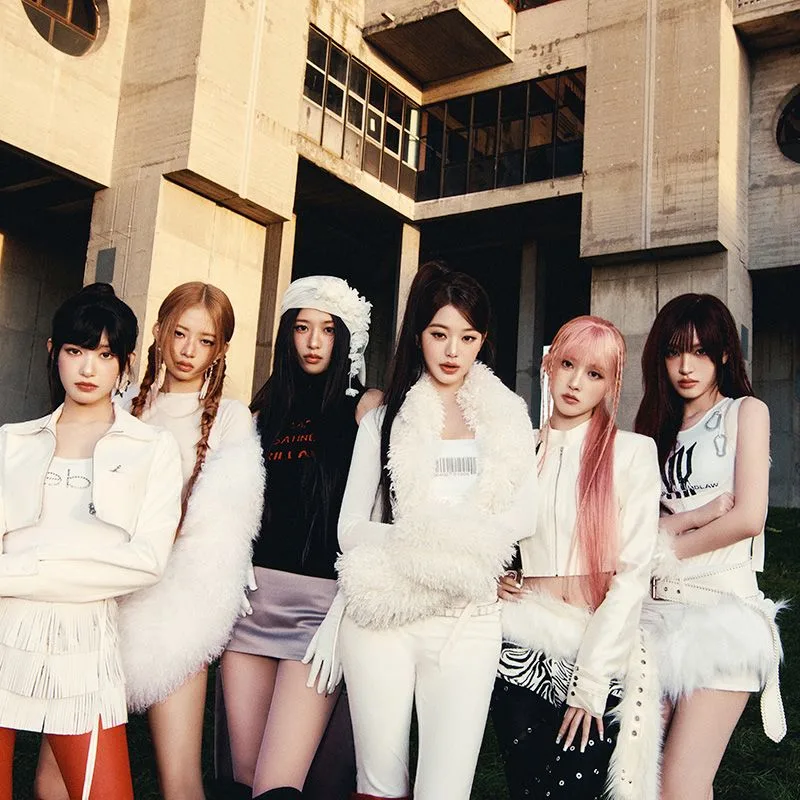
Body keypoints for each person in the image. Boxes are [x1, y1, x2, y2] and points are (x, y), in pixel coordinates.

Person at [34, 282, 264, 800]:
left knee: (179, 780)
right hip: (100, 604)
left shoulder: (231, 418)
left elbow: (225, 524)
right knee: (60, 771)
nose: (188, 350)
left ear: (221, 349)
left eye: (205, 340)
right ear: (158, 332)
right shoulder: (120, 405)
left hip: (176, 608)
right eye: (179, 333)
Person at [320, 261, 538, 800]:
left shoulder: (508, 417)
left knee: (445, 789)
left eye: (468, 337)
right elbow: (351, 530)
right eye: (439, 334)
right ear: (419, 335)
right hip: (384, 616)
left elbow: (523, 517)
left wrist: (433, 545)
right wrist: (448, 547)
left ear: (482, 341)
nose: (452, 351)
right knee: (379, 785)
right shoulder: (384, 419)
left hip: (468, 619)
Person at [0, 284, 182, 800]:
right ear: (52, 351)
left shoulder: (152, 447)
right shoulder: (11, 441)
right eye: (75, 350)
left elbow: (146, 562)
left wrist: (25, 569)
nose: (87, 368)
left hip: (85, 643)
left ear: (125, 363)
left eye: (104, 355)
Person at [219, 275, 379, 800]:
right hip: (250, 607)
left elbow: (376, 516)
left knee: (277, 786)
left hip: (318, 615)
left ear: (346, 338)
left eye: (327, 330)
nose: (313, 341)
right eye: (302, 328)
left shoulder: (365, 409)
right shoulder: (260, 413)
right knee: (246, 780)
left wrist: (345, 608)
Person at [493, 315, 662, 800]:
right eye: (568, 364)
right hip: (519, 647)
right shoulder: (517, 451)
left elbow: (632, 575)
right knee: (528, 790)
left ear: (611, 384)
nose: (575, 383)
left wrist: (590, 683)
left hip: (596, 645)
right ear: (549, 364)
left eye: (594, 373)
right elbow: (487, 536)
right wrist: (497, 574)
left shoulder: (632, 453)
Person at [635, 293, 785, 800]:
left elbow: (748, 517)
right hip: (653, 616)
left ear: (723, 354)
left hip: (720, 613)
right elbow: (637, 526)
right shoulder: (654, 431)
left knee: (680, 786)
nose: (685, 366)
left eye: (699, 352)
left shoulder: (746, 412)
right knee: (638, 780)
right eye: (674, 352)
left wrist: (664, 550)